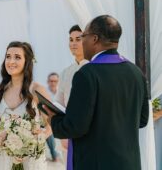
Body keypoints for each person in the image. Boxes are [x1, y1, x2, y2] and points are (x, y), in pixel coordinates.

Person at [44, 15, 149, 170]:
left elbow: (75, 127)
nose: (82, 42)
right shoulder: (136, 72)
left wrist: (53, 119)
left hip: (95, 163)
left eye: (82, 37)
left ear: (94, 39)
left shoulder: (87, 74)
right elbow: (142, 119)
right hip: (129, 164)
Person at [0, 41, 52, 170]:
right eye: (8, 56)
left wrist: (40, 138)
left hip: (30, 158)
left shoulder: (37, 89)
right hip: (3, 158)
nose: (11, 61)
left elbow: (52, 122)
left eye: (17, 57)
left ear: (27, 61)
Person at [55, 25, 88, 166]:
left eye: (78, 39)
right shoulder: (65, 73)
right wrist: (63, 133)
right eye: (71, 39)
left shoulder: (95, 69)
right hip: (70, 130)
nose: (73, 43)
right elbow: (59, 104)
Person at [45, 72, 59, 162]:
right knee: (49, 130)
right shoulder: (44, 92)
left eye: (55, 81)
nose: (53, 83)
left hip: (60, 118)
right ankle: (55, 155)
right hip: (47, 119)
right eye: (51, 81)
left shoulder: (61, 92)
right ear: (48, 82)